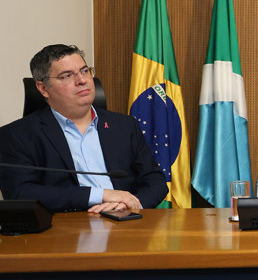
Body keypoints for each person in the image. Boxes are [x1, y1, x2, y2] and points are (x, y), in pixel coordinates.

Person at [0, 44, 167, 213]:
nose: (82, 80)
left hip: (126, 219)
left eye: (85, 71)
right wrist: (99, 195)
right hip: (67, 225)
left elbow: (155, 180)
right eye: (67, 76)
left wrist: (129, 204)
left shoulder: (124, 125)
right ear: (43, 88)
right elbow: (20, 192)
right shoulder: (16, 135)